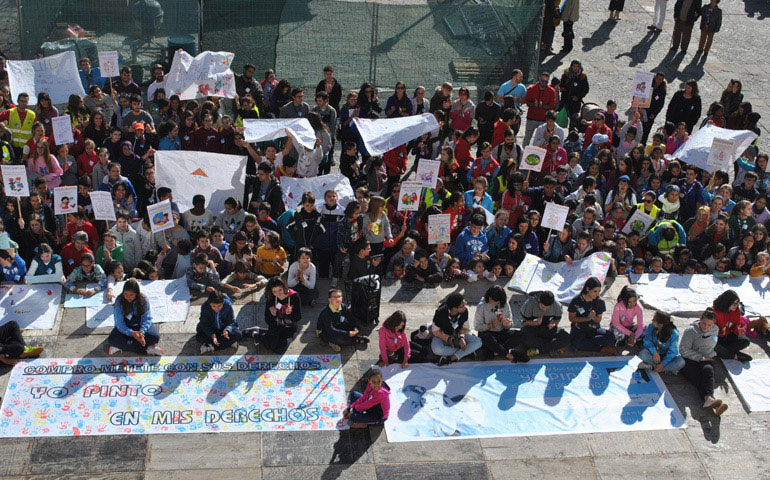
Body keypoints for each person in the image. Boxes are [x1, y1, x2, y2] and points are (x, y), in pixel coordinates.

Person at [679, 308, 728, 415]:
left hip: (707, 357)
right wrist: (700, 357)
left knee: (708, 370)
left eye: (709, 325)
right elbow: (683, 350)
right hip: (690, 359)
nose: (706, 327)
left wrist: (707, 357)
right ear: (700, 320)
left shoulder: (715, 330)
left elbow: (712, 345)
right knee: (699, 378)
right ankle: (711, 399)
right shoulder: (691, 331)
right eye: (704, 323)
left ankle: (709, 399)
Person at [107, 279, 162, 356]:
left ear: (137, 294)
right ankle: (145, 349)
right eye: (125, 294)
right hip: (126, 328)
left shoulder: (143, 300)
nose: (128, 297)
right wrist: (131, 333)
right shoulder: (119, 301)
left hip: (139, 327)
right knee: (112, 339)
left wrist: (142, 332)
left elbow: (146, 319)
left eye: (131, 295)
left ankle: (124, 346)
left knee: (155, 336)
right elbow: (119, 323)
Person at [248, 277, 301, 353]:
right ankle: (255, 334)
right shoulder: (271, 298)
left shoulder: (294, 296)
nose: (278, 294)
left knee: (279, 350)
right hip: (276, 326)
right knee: (271, 345)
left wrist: (290, 314)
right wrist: (272, 314)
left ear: (284, 287)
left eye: (280, 290)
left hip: (288, 327)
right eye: (274, 291)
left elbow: (298, 317)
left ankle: (263, 334)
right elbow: (267, 319)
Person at [474, 285, 528, 362]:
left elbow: (511, 323)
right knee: (486, 339)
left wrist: (506, 324)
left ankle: (497, 351)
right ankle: (508, 355)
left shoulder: (505, 304)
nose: (493, 302)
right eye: (491, 299)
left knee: (520, 334)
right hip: (488, 333)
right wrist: (490, 325)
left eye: (496, 301)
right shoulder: (482, 306)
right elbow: (477, 327)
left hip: (501, 332)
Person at [568, 277, 618, 354]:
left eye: (599, 291)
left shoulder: (599, 301)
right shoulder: (577, 300)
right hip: (579, 329)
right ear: (588, 289)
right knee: (577, 344)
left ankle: (587, 344)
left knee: (611, 337)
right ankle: (600, 348)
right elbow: (571, 318)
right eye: (595, 291)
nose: (597, 294)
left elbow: (599, 319)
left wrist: (594, 317)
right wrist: (587, 318)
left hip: (593, 329)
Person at [431, 292, 482, 366]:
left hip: (456, 336)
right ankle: (465, 352)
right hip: (443, 336)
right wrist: (448, 339)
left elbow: (465, 328)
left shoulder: (464, 312)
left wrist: (461, 337)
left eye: (465, 304)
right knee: (437, 349)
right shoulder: (440, 312)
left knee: (478, 342)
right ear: (454, 308)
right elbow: (435, 331)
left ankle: (452, 357)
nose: (465, 307)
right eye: (462, 306)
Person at [520, 290, 570, 356]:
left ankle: (538, 350)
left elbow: (557, 320)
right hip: (532, 329)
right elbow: (524, 322)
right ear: (539, 300)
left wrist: (554, 324)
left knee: (566, 337)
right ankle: (552, 347)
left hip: (547, 329)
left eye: (548, 308)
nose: (544, 310)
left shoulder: (557, 305)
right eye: (543, 307)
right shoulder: (529, 304)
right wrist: (536, 323)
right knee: (526, 340)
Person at [712, 289, 752, 362]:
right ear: (727, 302)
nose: (736, 306)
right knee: (712, 346)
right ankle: (734, 355)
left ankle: (724, 353)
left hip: (727, 337)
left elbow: (736, 325)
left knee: (745, 341)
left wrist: (737, 330)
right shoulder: (713, 312)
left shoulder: (736, 311)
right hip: (715, 338)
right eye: (734, 303)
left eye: (737, 303)